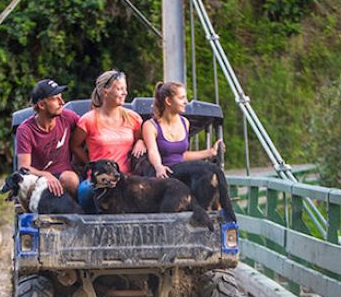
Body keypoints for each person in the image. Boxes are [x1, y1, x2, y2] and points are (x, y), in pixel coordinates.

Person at [71, 70, 145, 212]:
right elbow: (75, 146)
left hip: (126, 179)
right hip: (99, 181)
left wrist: (141, 141)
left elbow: (141, 138)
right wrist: (90, 164)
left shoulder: (133, 118)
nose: (124, 93)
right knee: (85, 190)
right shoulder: (88, 120)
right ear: (105, 92)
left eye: (125, 89)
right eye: (119, 89)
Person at [15, 78, 80, 197]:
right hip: (38, 180)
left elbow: (88, 132)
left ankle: (75, 214)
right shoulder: (25, 130)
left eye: (61, 97)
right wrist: (46, 175)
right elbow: (24, 167)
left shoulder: (68, 118)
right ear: (41, 105)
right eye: (56, 99)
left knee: (70, 179)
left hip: (65, 175)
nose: (62, 102)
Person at [142, 81, 222, 177]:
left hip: (183, 171)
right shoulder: (150, 126)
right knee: (204, 172)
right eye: (181, 98)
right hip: (165, 173)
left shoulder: (185, 122)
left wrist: (210, 152)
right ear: (168, 101)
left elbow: (182, 155)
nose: (186, 102)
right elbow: (152, 151)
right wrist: (158, 166)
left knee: (212, 170)